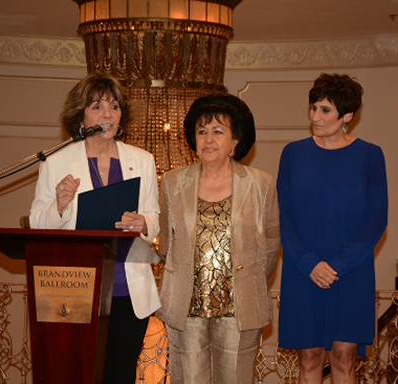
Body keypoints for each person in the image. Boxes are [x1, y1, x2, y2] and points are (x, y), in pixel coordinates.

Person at [29, 73, 161, 383]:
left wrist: (144, 223)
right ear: (80, 116)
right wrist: (59, 205)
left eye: (114, 107)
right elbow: (36, 220)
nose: (107, 114)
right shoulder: (56, 162)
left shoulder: (142, 160)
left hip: (127, 289)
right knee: (77, 373)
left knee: (120, 374)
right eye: (97, 106)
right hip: (74, 288)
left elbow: (154, 216)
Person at [156, 93, 280, 384]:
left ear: (235, 141)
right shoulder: (173, 182)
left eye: (217, 131)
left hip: (239, 309)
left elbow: (271, 245)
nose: (208, 139)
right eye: (201, 131)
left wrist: (249, 281)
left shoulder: (261, 183)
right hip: (186, 308)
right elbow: (165, 242)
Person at [277, 73, 388, 384]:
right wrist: (310, 264)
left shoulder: (369, 155)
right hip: (303, 270)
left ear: (347, 116)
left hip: (351, 272)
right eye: (314, 108)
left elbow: (377, 219)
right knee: (309, 358)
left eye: (325, 110)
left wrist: (337, 265)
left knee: (343, 358)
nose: (315, 116)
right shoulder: (293, 154)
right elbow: (282, 216)